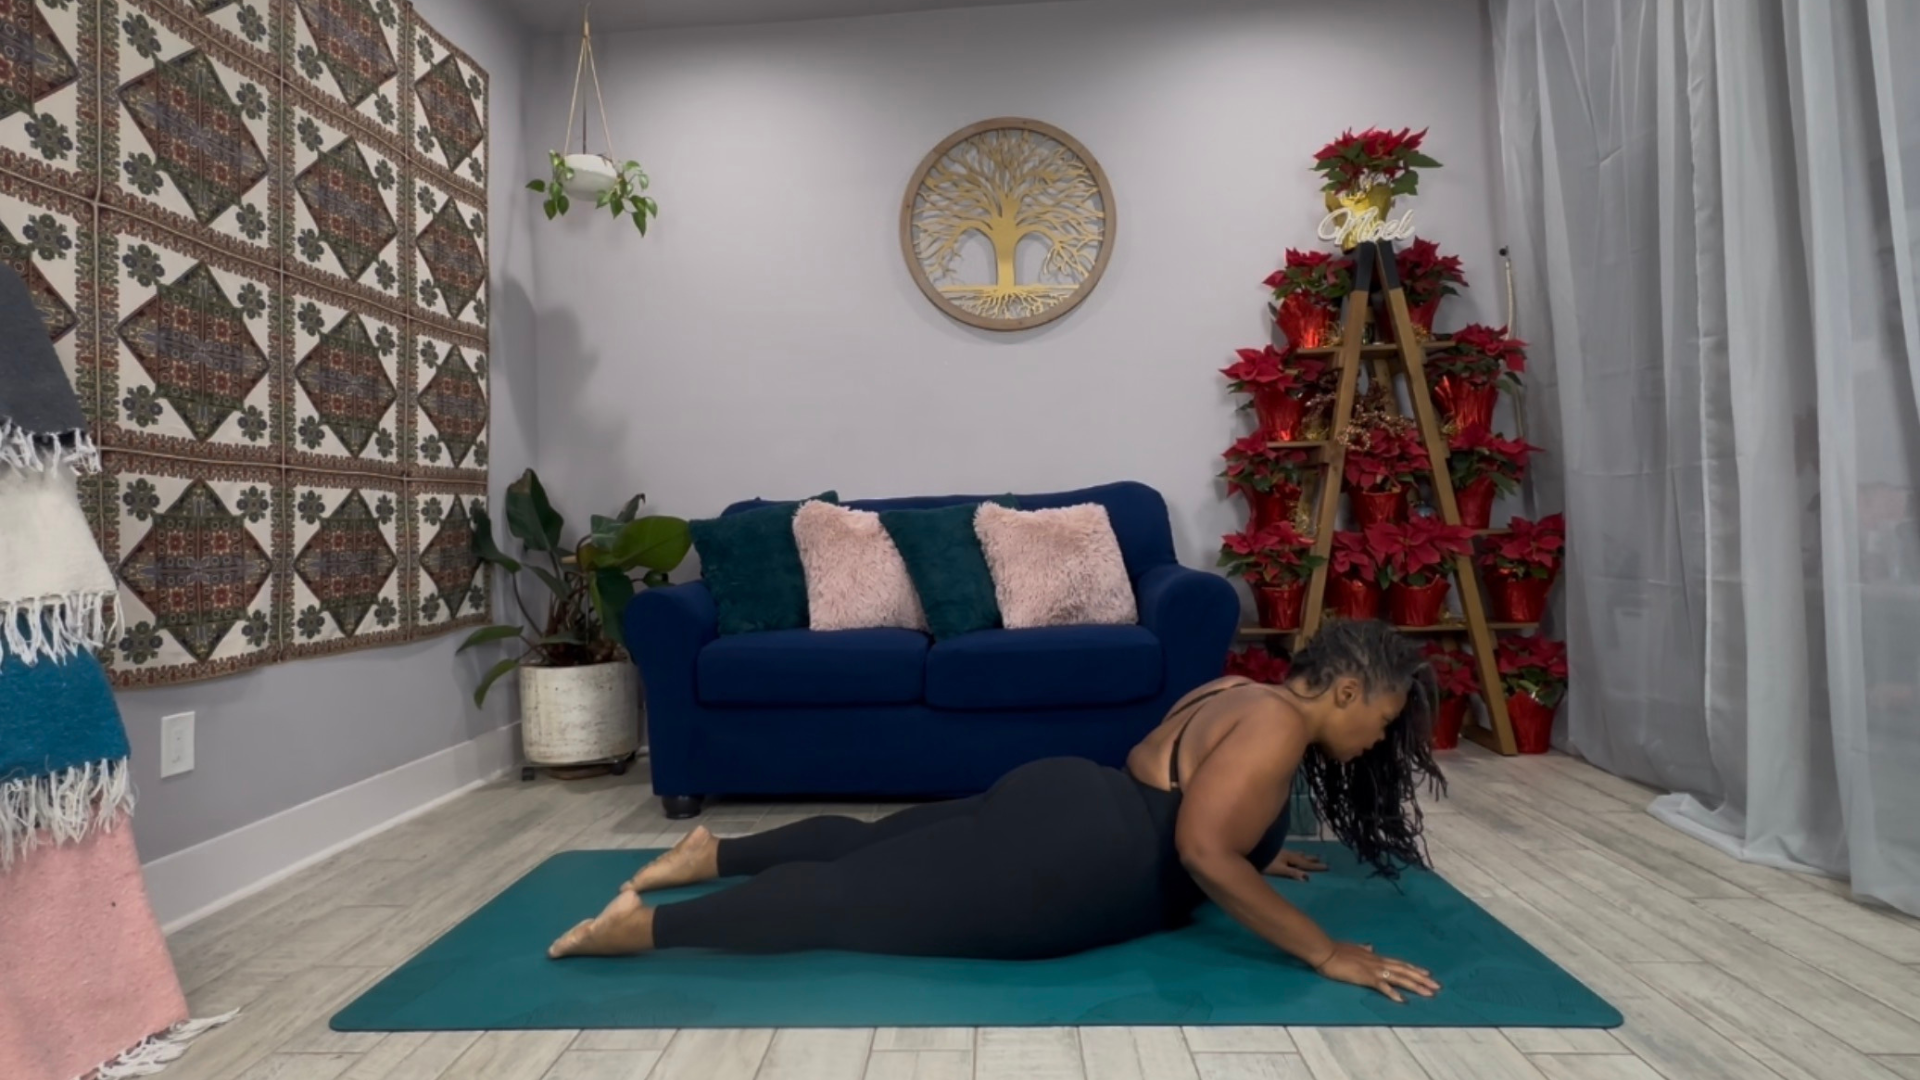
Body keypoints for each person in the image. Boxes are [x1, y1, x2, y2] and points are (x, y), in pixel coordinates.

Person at [549, 618, 1446, 1003]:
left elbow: (1191, 797)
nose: (1381, 736)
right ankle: (639, 932)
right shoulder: (1278, 730)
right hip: (1071, 866)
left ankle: (713, 854)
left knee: (873, 844)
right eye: (1384, 718)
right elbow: (1203, 850)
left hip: (1067, 794)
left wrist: (1257, 849)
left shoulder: (1237, 689)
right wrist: (1325, 950)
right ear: (1350, 687)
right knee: (849, 903)